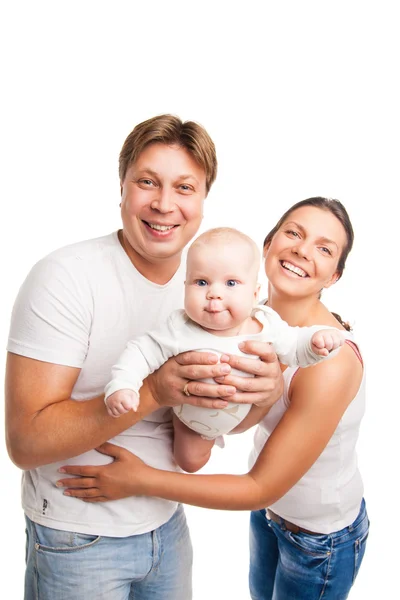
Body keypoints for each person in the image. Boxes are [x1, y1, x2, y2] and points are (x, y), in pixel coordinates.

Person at [5, 114, 284, 600]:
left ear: (202, 201)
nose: (163, 204)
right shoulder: (65, 277)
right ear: (122, 188)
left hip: (167, 526)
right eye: (147, 182)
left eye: (185, 187)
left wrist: (263, 397)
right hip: (77, 537)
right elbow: (25, 443)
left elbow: (211, 419)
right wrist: (154, 391)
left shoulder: (211, 288)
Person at [58, 197, 369, 600]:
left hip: (318, 539)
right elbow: (232, 415)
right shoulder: (242, 315)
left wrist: (140, 480)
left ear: (334, 276)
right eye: (294, 233)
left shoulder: (327, 361)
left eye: (324, 249)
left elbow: (261, 486)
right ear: (269, 244)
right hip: (270, 518)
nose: (302, 250)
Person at [105, 226, 345, 471]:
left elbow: (295, 347)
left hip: (241, 411)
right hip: (191, 419)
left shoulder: (265, 324)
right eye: (201, 282)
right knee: (190, 462)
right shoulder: (180, 328)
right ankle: (182, 425)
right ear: (184, 286)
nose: (214, 294)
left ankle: (215, 432)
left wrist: (317, 341)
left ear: (254, 294)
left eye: (231, 283)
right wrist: (124, 384)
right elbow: (142, 350)